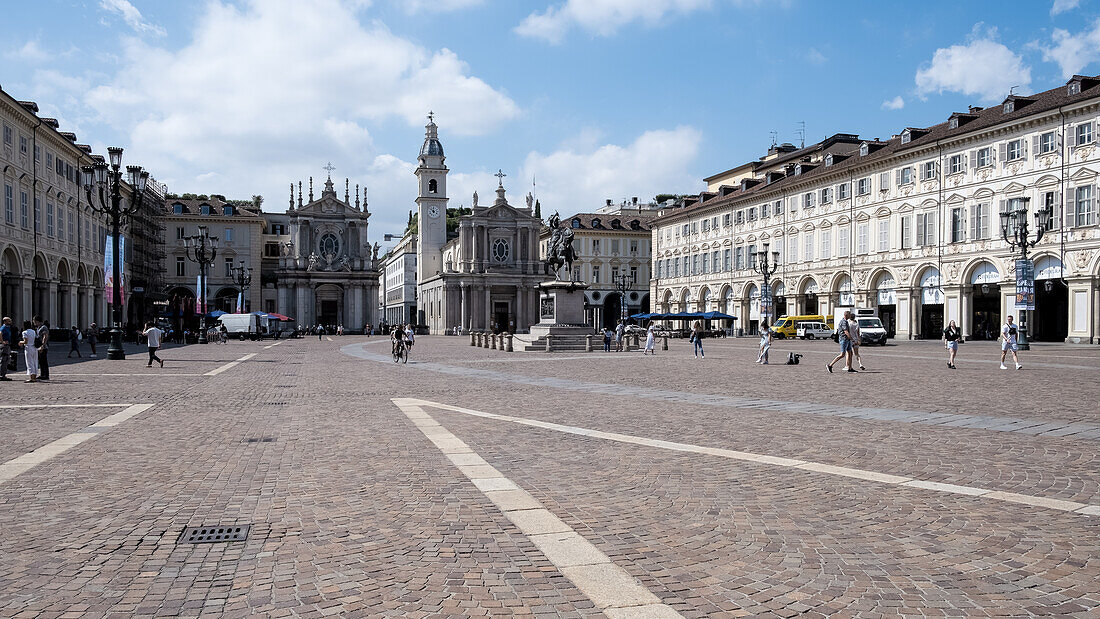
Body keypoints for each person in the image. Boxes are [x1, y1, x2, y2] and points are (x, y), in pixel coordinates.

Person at [34, 316, 49, 381]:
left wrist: (43, 345)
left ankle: (45, 375)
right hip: (39, 346)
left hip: (43, 347)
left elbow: (45, 336)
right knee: (41, 361)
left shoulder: (43, 327)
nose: (34, 322)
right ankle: (42, 374)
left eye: (34, 321)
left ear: (37, 321)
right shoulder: (38, 328)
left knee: (43, 361)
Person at [0, 316, 13, 381]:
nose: (10, 322)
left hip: (7, 345)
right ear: (5, 321)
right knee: (4, 360)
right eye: (8, 321)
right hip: (4, 346)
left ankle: (3, 374)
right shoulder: (4, 327)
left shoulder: (8, 328)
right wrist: (2, 341)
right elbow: (0, 333)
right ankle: (1, 375)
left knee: (7, 359)